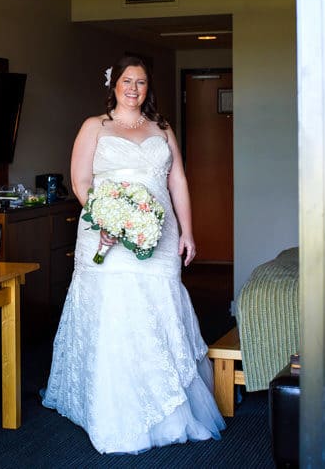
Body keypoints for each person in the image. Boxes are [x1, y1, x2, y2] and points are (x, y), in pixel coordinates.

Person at [41, 54, 225, 454]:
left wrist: (188, 231)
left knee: (158, 306)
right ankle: (114, 411)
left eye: (141, 82)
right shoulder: (95, 126)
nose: (133, 88)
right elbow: (81, 180)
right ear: (114, 84)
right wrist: (107, 216)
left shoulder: (162, 127)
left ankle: (169, 409)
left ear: (148, 88)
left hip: (159, 232)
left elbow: (177, 179)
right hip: (105, 232)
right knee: (116, 311)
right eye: (127, 80)